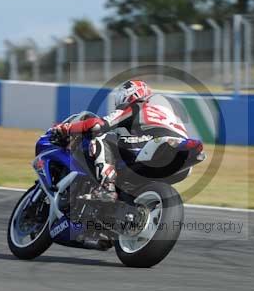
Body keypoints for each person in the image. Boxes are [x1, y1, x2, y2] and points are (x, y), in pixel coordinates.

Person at [51, 80, 188, 202]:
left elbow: (99, 125)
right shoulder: (165, 110)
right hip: (182, 154)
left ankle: (107, 187)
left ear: (130, 95)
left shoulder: (137, 106)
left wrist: (68, 127)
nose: (119, 102)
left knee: (101, 137)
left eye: (121, 97)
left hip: (157, 141)